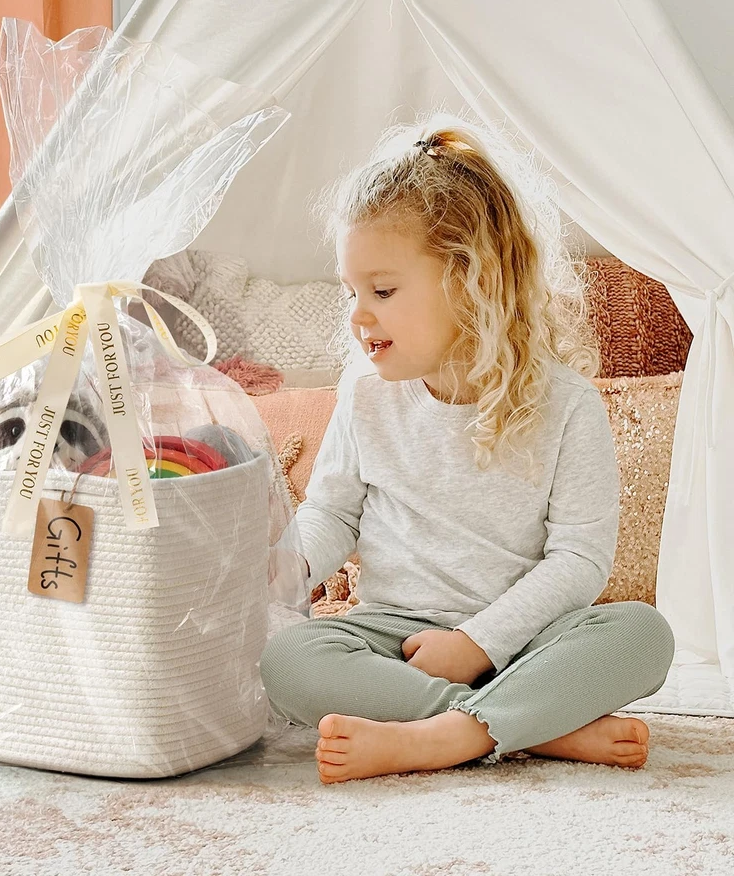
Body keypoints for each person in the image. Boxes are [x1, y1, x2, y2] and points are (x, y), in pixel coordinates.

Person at [260, 115, 675, 784]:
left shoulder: (569, 405)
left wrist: (477, 643)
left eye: (382, 291)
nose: (358, 315)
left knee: (643, 635)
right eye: (351, 292)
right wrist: (283, 568)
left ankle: (440, 738)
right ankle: (535, 729)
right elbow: (332, 514)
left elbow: (579, 562)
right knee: (286, 660)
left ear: (471, 279)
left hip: (527, 643)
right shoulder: (364, 394)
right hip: (397, 641)